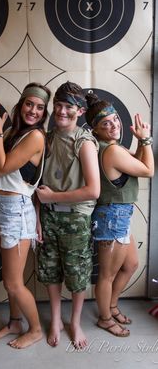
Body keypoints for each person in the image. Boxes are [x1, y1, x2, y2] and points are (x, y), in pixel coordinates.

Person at [0, 82, 51, 349]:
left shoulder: (35, 137)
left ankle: (34, 330)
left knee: (12, 282)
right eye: (29, 104)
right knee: (12, 280)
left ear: (45, 113)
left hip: (16, 211)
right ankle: (15, 322)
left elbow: (2, 165)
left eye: (40, 108)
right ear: (21, 104)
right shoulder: (11, 132)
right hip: (0, 207)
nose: (33, 111)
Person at [36, 81, 100, 348]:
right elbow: (36, 185)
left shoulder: (83, 142)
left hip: (75, 218)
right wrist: (38, 217)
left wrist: (53, 197)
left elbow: (93, 190)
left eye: (69, 107)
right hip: (48, 216)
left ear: (80, 111)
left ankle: (74, 321)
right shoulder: (46, 138)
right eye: (58, 105)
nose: (62, 111)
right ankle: (55, 319)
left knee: (76, 274)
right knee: (51, 272)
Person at [85, 92, 154, 337]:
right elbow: (147, 170)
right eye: (106, 123)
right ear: (96, 130)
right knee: (107, 274)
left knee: (131, 264)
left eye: (114, 119)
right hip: (112, 216)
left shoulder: (114, 148)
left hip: (119, 215)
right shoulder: (110, 151)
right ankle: (104, 318)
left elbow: (135, 164)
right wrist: (146, 141)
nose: (113, 125)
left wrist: (138, 143)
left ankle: (112, 306)